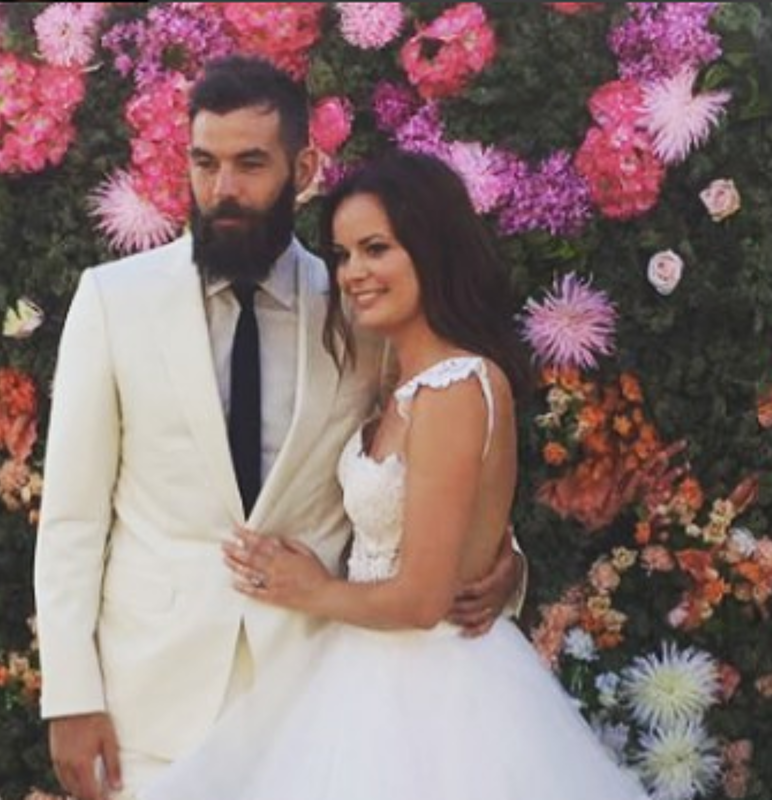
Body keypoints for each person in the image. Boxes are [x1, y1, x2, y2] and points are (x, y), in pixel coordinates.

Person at [33, 56, 523, 800]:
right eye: (205, 162)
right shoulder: (113, 302)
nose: (223, 189)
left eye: (250, 164)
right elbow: (71, 516)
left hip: (321, 688)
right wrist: (70, 695)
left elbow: (429, 449)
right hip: (151, 698)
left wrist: (502, 566)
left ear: (303, 166)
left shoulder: (361, 304)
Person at [140, 151, 652, 800]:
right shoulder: (394, 377)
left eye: (376, 249)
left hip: (437, 687)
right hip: (367, 668)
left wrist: (310, 589)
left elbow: (421, 599)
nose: (354, 273)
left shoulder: (456, 386)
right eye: (343, 255)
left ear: (431, 249)